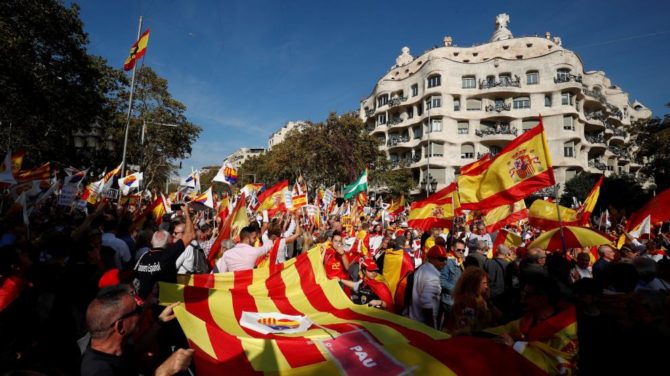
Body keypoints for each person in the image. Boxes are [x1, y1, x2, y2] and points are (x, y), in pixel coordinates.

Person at [81, 284, 193, 376]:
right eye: (137, 310)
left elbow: (137, 349)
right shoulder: (99, 371)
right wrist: (163, 372)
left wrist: (159, 322)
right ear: (120, 327)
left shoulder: (115, 346)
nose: (141, 312)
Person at [488, 273, 578, 375]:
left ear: (542, 298)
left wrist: (515, 346)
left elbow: (561, 367)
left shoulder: (569, 330)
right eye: (522, 292)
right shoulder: (526, 320)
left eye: (527, 294)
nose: (522, 297)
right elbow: (502, 330)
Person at [134, 206, 195, 299]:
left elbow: (135, 280)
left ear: (151, 242)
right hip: (164, 303)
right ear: (169, 242)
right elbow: (190, 235)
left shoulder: (143, 256)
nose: (174, 235)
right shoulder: (168, 255)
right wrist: (186, 212)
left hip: (144, 303)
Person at [445, 267, 498, 336]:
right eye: (484, 283)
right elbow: (465, 329)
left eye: (487, 283)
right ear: (473, 284)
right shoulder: (468, 303)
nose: (486, 286)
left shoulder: (479, 299)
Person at [409, 245, 447, 329]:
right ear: (431, 259)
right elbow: (426, 303)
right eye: (441, 259)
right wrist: (431, 327)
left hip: (413, 319)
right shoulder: (433, 276)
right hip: (423, 325)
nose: (444, 262)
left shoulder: (422, 268)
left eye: (445, 259)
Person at [439, 239, 464, 326]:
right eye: (459, 250)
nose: (461, 252)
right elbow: (442, 281)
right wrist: (456, 289)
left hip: (457, 300)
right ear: (453, 248)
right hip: (448, 301)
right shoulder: (448, 261)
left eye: (463, 250)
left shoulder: (460, 261)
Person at [484, 244, 510, 312]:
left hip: (490, 293)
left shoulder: (488, 262)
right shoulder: (509, 265)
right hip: (503, 294)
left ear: (497, 251)